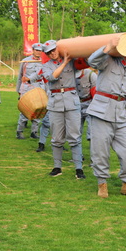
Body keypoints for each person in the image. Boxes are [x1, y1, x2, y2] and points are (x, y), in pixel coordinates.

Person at [86, 40, 126, 198]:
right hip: (101, 113)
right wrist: (108, 48)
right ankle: (102, 184)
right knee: (100, 152)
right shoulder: (108, 61)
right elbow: (92, 60)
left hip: (121, 115)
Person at [40, 40, 85, 180]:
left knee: (75, 137)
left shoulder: (72, 60)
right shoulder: (46, 66)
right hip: (55, 102)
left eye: (54, 50)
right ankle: (57, 166)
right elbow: (51, 77)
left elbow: (86, 62)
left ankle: (79, 169)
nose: (52, 53)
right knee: (57, 138)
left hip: (71, 101)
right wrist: (64, 63)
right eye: (49, 52)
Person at [16, 43, 46, 140]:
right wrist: (19, 90)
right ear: (33, 50)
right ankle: (19, 131)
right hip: (27, 87)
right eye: (37, 50)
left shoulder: (44, 62)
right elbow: (20, 76)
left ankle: (34, 132)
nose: (38, 52)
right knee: (25, 110)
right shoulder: (25, 61)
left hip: (38, 87)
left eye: (40, 50)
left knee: (38, 109)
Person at [76, 67, 98, 142]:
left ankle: (94, 150)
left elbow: (95, 93)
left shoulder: (91, 75)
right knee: (76, 131)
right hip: (77, 104)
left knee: (91, 132)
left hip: (90, 103)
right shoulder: (71, 75)